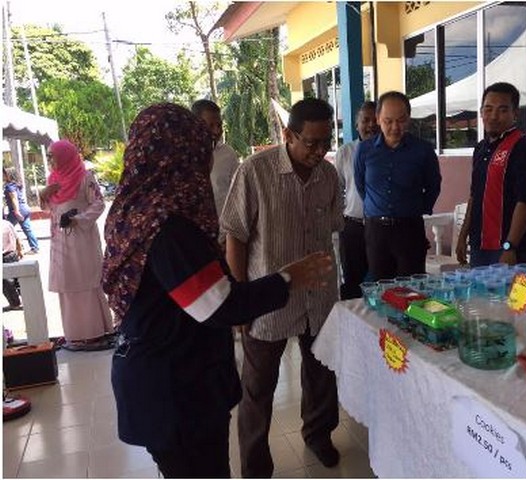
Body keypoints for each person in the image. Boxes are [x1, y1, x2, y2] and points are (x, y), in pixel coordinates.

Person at [102, 103, 333, 479]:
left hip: (169, 376)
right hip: (175, 391)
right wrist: (288, 278)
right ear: (181, 157)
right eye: (202, 149)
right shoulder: (169, 228)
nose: (209, 160)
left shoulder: (138, 210)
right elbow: (220, 305)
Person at [221, 98, 344, 477]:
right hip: (267, 300)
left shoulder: (329, 176)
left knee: (321, 374)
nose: (320, 151)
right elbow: (236, 236)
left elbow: (332, 228)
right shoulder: (254, 172)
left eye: (326, 142)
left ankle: (318, 434)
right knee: (257, 387)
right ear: (288, 134)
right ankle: (255, 463)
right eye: (311, 142)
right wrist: (240, 300)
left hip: (319, 297)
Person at [354, 91, 441, 280]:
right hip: (376, 231)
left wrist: (417, 208)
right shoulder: (364, 150)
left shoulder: (423, 150)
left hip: (410, 229)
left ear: (408, 119)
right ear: (378, 119)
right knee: (380, 286)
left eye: (401, 121)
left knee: (411, 287)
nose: (395, 127)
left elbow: (433, 185)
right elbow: (361, 185)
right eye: (388, 121)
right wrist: (376, 206)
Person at [455, 82, 526, 267]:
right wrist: (463, 235)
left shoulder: (524, 146)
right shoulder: (481, 148)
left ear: (515, 114)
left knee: (515, 288)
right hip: (480, 246)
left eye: (502, 110)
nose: (493, 116)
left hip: (512, 249)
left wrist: (510, 247)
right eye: (488, 109)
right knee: (478, 288)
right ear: (481, 112)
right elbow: (474, 196)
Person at [39, 140, 114, 351]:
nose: (49, 160)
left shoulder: (85, 177)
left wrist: (78, 219)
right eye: (48, 156)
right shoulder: (53, 180)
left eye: (52, 156)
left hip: (82, 239)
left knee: (86, 281)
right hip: (60, 241)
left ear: (65, 156)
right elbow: (49, 209)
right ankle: (74, 335)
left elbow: (98, 203)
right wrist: (44, 195)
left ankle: (95, 333)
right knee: (67, 283)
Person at [334, 100, 378, 299]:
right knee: (353, 282)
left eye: (375, 120)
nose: (371, 125)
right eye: (365, 120)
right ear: (356, 124)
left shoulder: (390, 151)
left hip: (381, 228)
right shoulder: (345, 153)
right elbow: (337, 190)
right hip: (353, 227)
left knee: (382, 280)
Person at [191, 99, 240, 220]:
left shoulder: (228, 154)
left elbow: (239, 192)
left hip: (224, 226)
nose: (217, 131)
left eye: (219, 125)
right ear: (196, 125)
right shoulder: (183, 156)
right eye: (211, 125)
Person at [3, 167, 39, 254]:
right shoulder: (17, 184)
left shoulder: (9, 186)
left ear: (9, 175)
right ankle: (34, 247)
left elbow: (14, 198)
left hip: (16, 211)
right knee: (27, 229)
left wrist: (16, 211)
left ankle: (9, 248)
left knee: (5, 228)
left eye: (4, 174)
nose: (2, 176)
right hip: (25, 209)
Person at [2, 219, 23, 311]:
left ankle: (15, 303)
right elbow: (17, 238)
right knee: (18, 279)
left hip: (3, 257)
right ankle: (28, 299)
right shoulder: (6, 223)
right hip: (12, 254)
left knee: (7, 284)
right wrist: (19, 250)